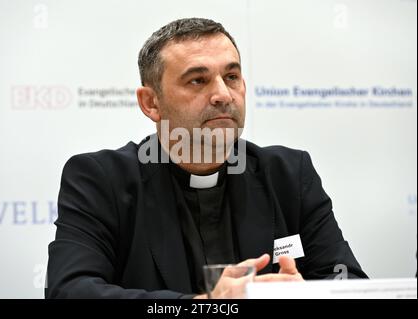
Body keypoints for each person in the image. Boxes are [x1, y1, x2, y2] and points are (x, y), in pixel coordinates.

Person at [45, 18, 367, 299]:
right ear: (151, 103)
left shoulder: (289, 175)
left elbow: (348, 281)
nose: (223, 95)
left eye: (231, 77)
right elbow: (71, 290)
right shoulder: (100, 180)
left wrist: (309, 295)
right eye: (197, 80)